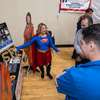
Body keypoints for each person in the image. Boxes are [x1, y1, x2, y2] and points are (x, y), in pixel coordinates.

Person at [55, 24, 100, 100]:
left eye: (82, 43)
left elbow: (59, 81)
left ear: (91, 46)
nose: (81, 46)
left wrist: (68, 72)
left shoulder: (75, 76)